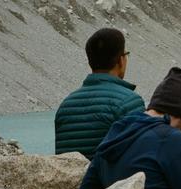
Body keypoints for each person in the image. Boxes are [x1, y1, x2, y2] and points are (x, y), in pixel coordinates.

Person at [55, 28, 145, 159]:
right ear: (121, 60)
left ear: (90, 61)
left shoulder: (66, 106)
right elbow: (141, 156)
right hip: (111, 180)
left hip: (70, 179)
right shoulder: (129, 102)